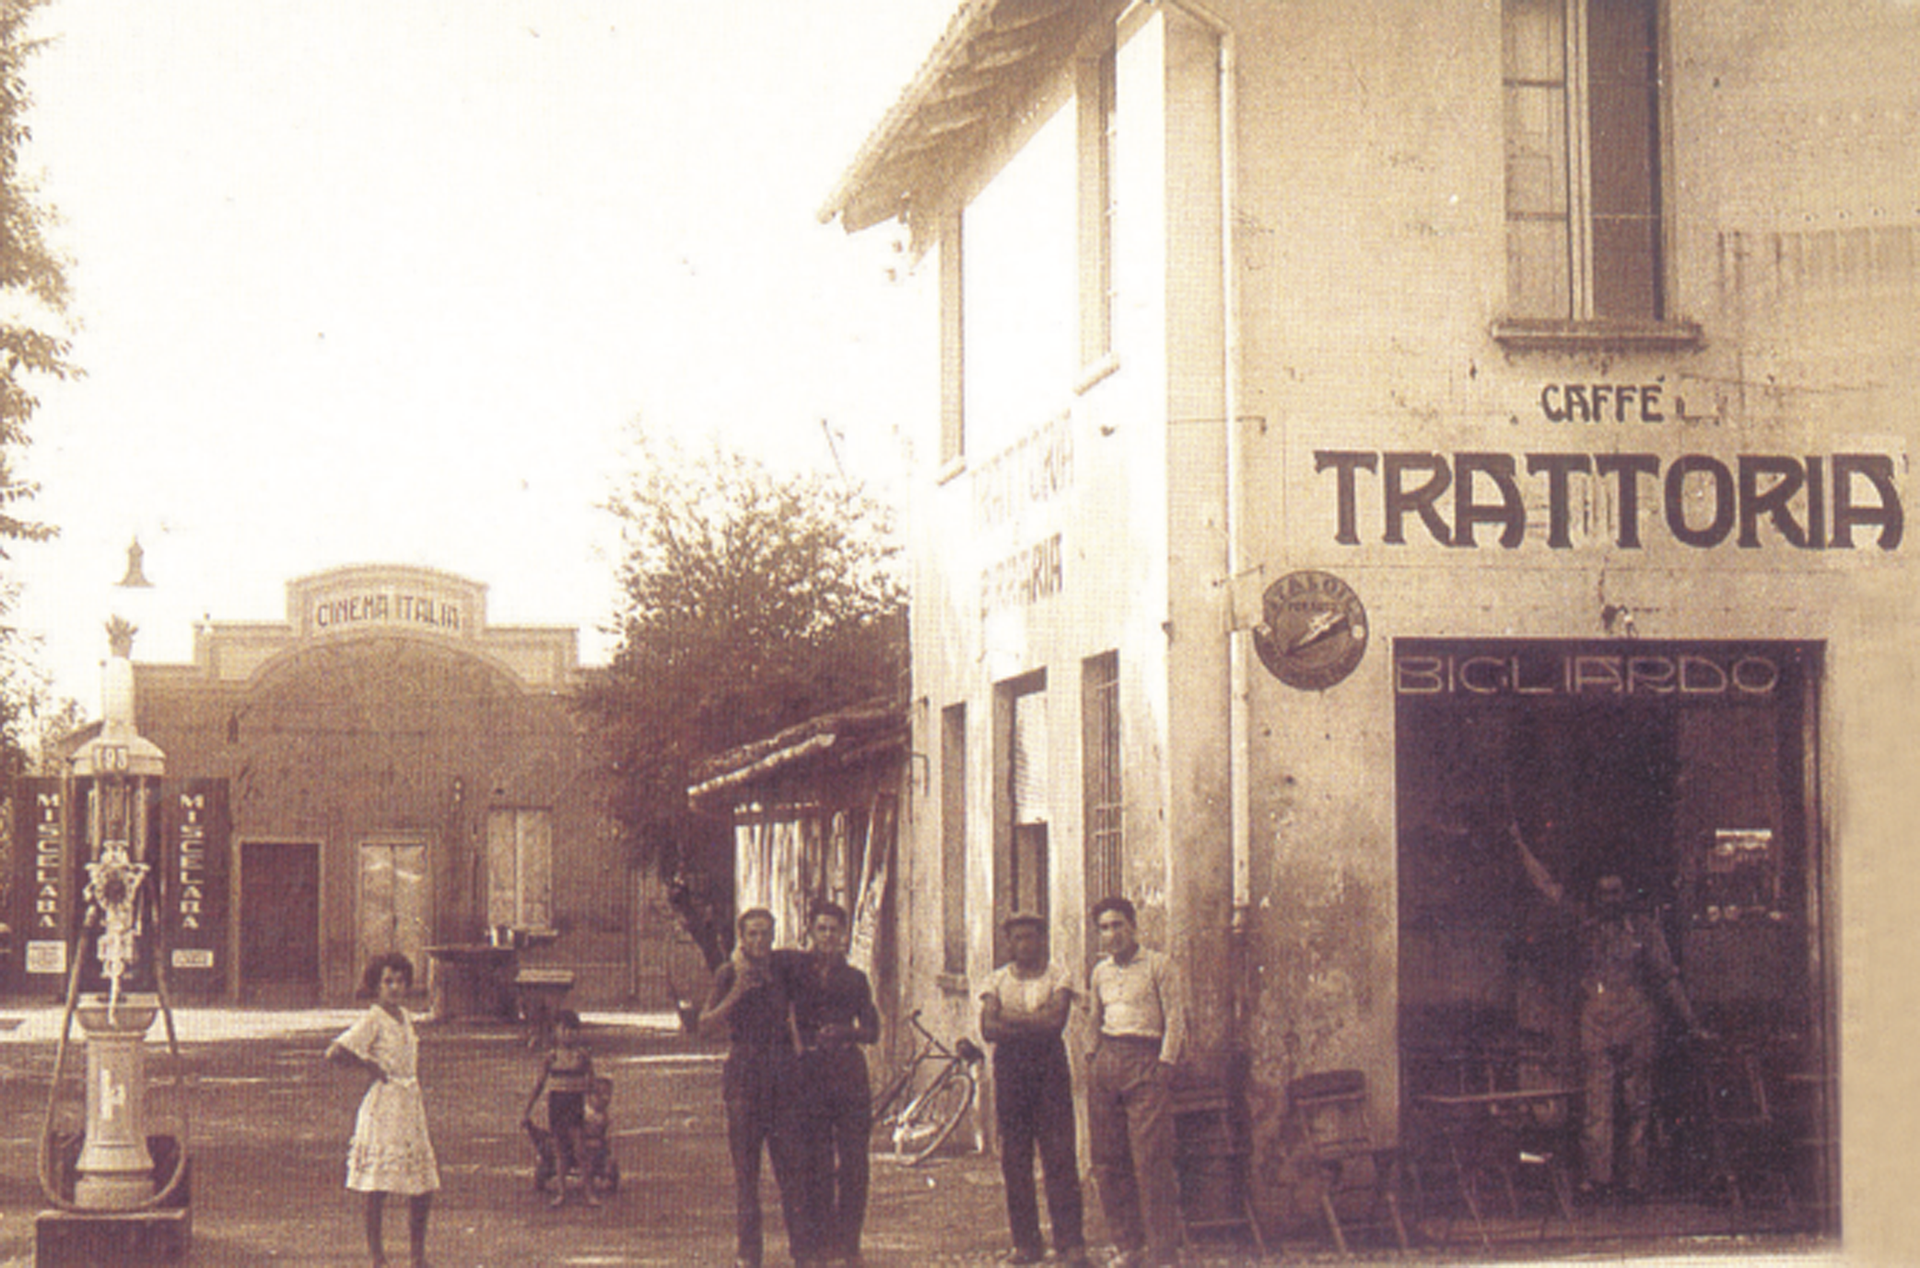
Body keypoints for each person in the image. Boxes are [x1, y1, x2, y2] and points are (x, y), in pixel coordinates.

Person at [1511, 822, 1713, 1202]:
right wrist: (1518, 842)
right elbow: (1547, 891)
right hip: (1596, 1018)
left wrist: (1692, 1023)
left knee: (1639, 1103)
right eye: (1603, 892)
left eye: (1616, 891)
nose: (1609, 898)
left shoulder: (1644, 928)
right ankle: (1597, 1181)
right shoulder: (1583, 926)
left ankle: (1635, 1183)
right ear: (1595, 895)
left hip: (1637, 1015)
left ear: (1626, 893)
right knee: (1596, 1103)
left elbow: (1667, 978)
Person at [979, 911, 1088, 1266]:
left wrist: (1011, 1018)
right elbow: (989, 1029)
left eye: (1032, 937)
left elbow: (1056, 1023)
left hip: (1049, 1071)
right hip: (1011, 1072)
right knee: (1015, 1158)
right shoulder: (995, 980)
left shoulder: (1059, 975)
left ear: (1042, 940)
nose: (1025, 944)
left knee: (1059, 1154)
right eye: (1018, 938)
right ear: (1009, 943)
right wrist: (1033, 1023)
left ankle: (1070, 1242)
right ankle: (1026, 1243)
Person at [1085, 896, 1187, 1268]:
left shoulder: (1159, 965)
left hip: (1146, 1061)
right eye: (1105, 928)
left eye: (1118, 925)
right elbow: (1094, 1018)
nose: (1112, 934)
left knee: (1151, 1161)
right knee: (1108, 1161)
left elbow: (1175, 1017)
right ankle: (1128, 1247)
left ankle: (1162, 1253)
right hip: (1108, 1061)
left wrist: (1165, 1064)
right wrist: (1091, 1057)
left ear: (1133, 927)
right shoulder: (1100, 972)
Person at [776, 900, 879, 1266]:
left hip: (849, 1075)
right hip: (810, 1076)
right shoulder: (796, 973)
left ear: (844, 935)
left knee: (854, 1161)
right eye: (821, 929)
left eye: (834, 930)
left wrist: (847, 1032)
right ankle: (820, 1241)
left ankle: (848, 1243)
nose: (828, 936)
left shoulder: (855, 980)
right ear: (810, 933)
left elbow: (873, 1030)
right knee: (815, 1160)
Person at [701, 907, 803, 1268]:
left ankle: (802, 1254)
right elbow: (702, 1025)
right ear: (742, 939)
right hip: (744, 1079)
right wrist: (736, 994)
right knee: (747, 1177)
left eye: (766, 933)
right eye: (753, 934)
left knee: (792, 1173)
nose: (760, 941)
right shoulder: (728, 974)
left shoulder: (784, 970)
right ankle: (748, 1256)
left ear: (774, 936)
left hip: (782, 1078)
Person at [326, 952, 440, 1268]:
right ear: (376, 986)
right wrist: (368, 1065)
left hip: (409, 1103)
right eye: (387, 981)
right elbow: (334, 1052)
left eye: (400, 981)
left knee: (422, 1183)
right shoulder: (373, 1019)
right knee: (378, 1185)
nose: (394, 987)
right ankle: (378, 1257)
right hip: (385, 1106)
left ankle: (417, 1256)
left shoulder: (405, 1016)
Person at [521, 1008, 601, 1207]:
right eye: (564, 1029)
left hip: (575, 1102)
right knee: (559, 1150)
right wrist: (527, 1110)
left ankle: (588, 1192)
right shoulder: (552, 1057)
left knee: (580, 1149)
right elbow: (539, 1084)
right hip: (557, 1103)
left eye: (573, 1030)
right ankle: (561, 1192)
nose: (568, 1034)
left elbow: (592, 1082)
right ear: (556, 1031)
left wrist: (596, 1105)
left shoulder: (582, 1056)